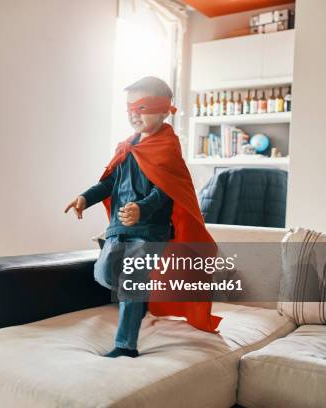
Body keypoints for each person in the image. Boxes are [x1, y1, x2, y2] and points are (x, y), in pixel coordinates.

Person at [65, 76, 221, 358]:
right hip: (118, 228)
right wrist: (85, 198)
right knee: (105, 273)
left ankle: (125, 346)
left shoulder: (168, 146)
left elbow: (167, 189)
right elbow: (110, 181)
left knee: (131, 284)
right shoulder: (127, 146)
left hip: (150, 231)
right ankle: (139, 296)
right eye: (129, 108)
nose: (134, 113)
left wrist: (142, 208)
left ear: (164, 110)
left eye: (142, 106)